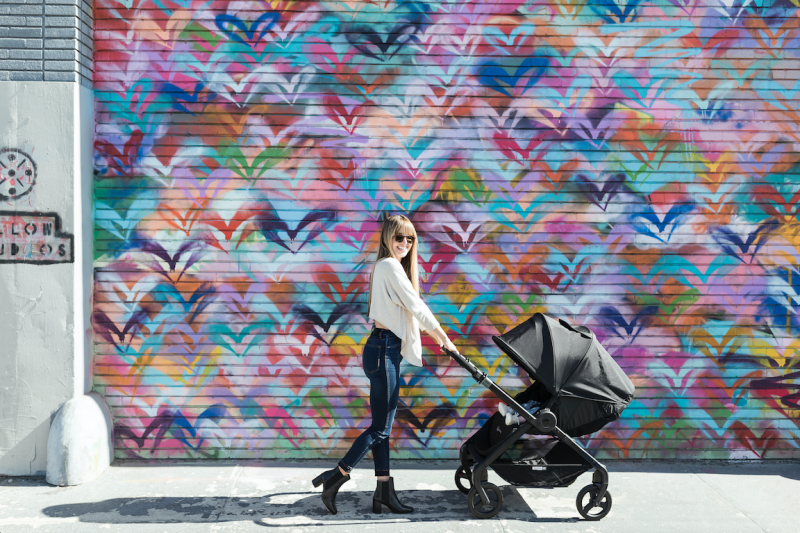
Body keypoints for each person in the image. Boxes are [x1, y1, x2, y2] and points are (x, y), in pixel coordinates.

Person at [312, 214, 459, 515]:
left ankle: (383, 493)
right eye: (399, 238)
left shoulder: (384, 267)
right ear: (387, 238)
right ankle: (336, 476)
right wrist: (445, 339)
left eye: (410, 239)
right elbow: (417, 308)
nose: (405, 243)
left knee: (382, 427)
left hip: (382, 349)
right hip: (383, 351)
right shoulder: (390, 266)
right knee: (381, 428)